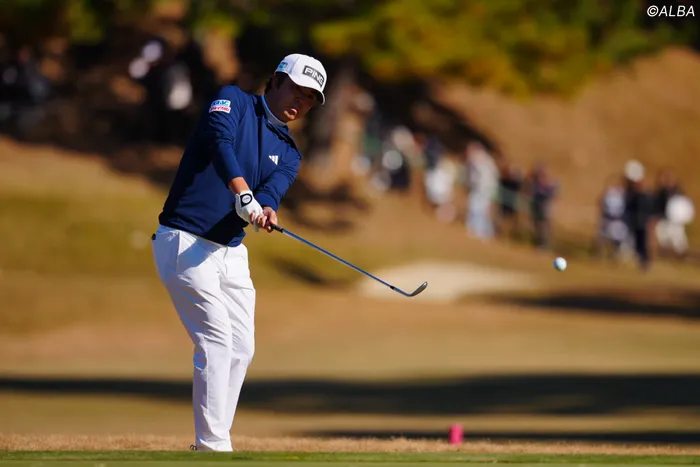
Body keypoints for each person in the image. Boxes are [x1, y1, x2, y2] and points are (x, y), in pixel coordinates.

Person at [151, 53, 327, 452]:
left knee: (242, 348)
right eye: (297, 90)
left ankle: (213, 439)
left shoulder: (290, 152)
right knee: (215, 339)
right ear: (276, 81)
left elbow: (272, 191)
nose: (301, 101)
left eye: (310, 98)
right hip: (184, 240)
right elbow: (219, 141)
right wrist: (243, 193)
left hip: (230, 251)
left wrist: (265, 209)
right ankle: (213, 445)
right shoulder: (233, 100)